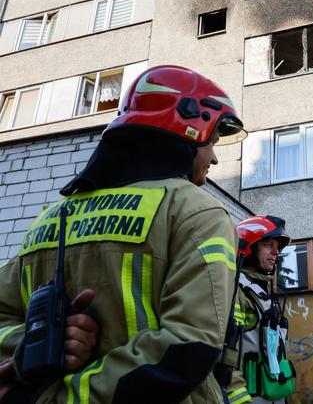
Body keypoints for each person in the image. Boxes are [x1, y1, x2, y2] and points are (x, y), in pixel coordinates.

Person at [0, 65, 247, 403]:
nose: (215, 158)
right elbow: (190, 345)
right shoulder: (197, 212)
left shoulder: (51, 217)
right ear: (193, 129)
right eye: (214, 141)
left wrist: (35, 344)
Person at [227, 216, 296, 404]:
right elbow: (225, 356)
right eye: (268, 245)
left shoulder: (264, 293)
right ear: (248, 249)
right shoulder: (235, 291)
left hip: (273, 395)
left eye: (277, 247)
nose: (275, 252)